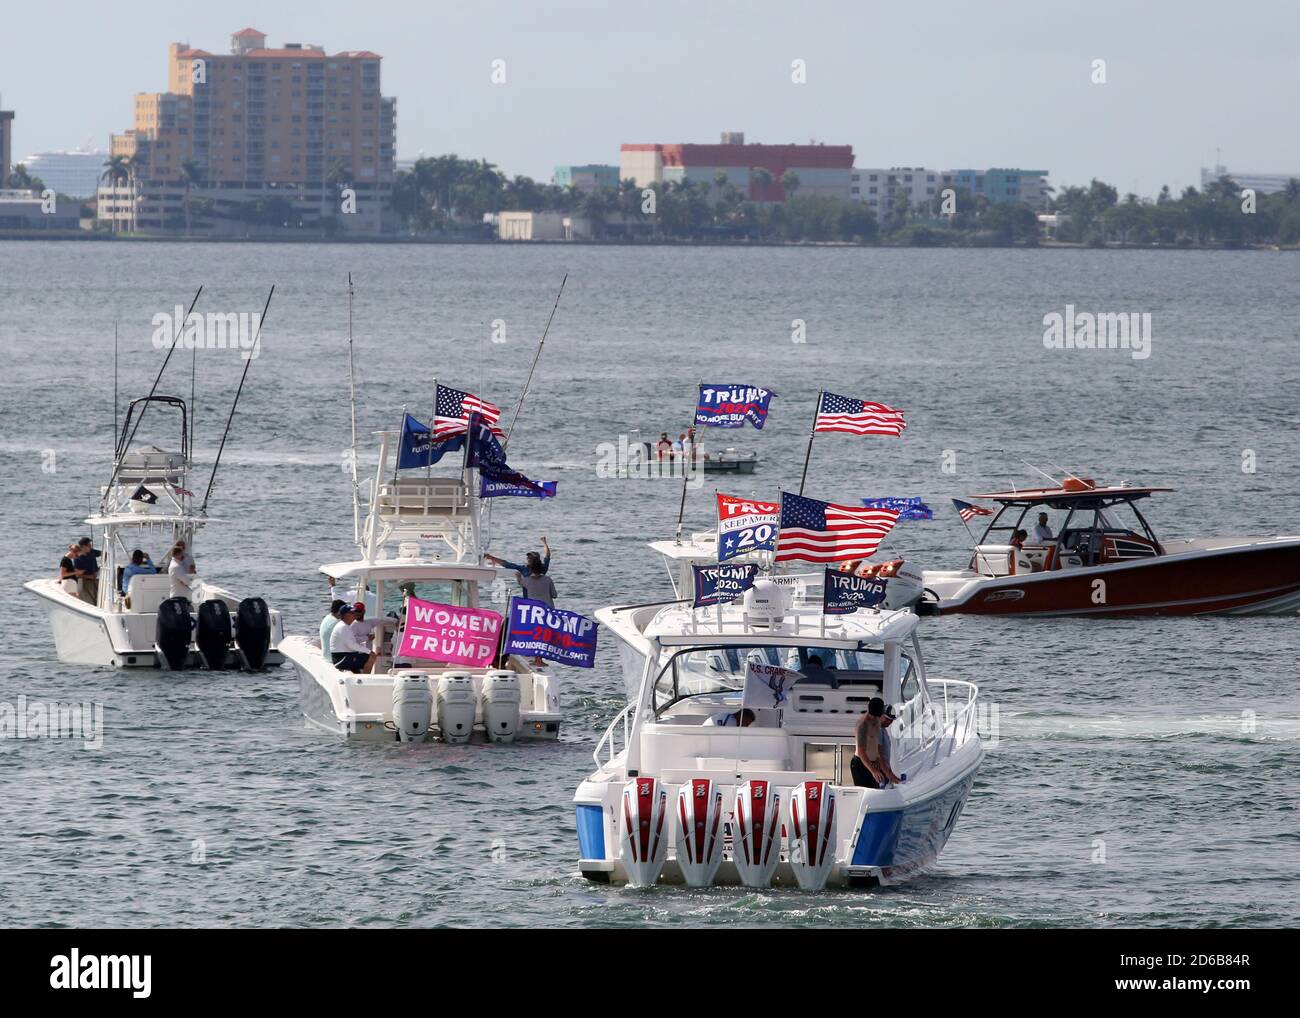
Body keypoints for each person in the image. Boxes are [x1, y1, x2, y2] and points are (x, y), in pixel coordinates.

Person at [851, 698, 904, 788]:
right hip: (860, 764)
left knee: (875, 788)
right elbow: (861, 752)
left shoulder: (876, 722)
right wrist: (873, 771)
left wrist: (884, 768)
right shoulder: (863, 726)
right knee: (867, 791)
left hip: (872, 763)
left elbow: (878, 749)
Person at [330, 604, 375, 673]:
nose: (355, 614)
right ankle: (365, 679)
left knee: (362, 655)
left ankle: (358, 674)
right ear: (347, 615)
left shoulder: (345, 626)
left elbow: (353, 642)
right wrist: (369, 651)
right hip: (341, 658)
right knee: (371, 657)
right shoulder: (343, 627)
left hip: (345, 656)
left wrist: (366, 640)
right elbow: (352, 645)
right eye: (353, 612)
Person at [485, 537, 551, 577]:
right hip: (528, 599)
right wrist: (492, 558)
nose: (528, 559)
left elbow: (547, 555)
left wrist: (544, 543)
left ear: (536, 560)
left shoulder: (543, 569)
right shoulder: (524, 569)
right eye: (528, 558)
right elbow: (507, 564)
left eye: (531, 558)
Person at [73, 537, 102, 605]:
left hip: (97, 575)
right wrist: (89, 576)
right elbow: (77, 574)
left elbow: (105, 554)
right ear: (83, 547)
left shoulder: (91, 551)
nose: (90, 547)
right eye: (89, 545)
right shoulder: (77, 558)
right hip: (86, 579)